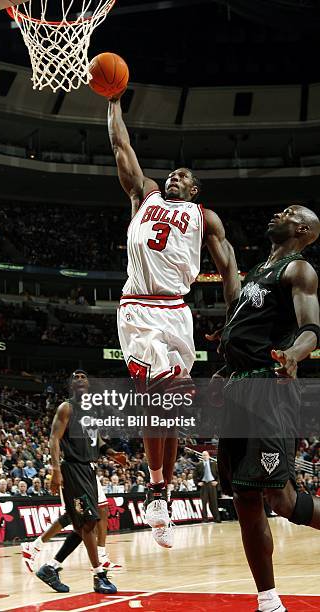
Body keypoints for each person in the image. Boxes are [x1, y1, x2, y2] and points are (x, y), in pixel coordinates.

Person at [107, 96, 240, 548]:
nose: (173, 177)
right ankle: (154, 488)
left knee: (173, 405)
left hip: (178, 312)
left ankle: (159, 491)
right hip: (140, 307)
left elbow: (228, 268)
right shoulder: (143, 197)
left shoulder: (205, 217)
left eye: (183, 176)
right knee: (155, 390)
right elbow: (122, 149)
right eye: (172, 174)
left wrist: (233, 315)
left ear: (194, 190)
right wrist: (113, 104)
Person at [216, 205, 320, 612]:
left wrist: (294, 354)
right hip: (238, 387)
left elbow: (312, 330)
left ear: (302, 228)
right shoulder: (261, 269)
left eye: (288, 212)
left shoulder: (299, 270)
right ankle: (269, 601)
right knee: (244, 498)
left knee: (282, 500)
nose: (278, 213)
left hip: (268, 386)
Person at [39, 370, 117, 594]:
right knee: (87, 524)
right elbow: (54, 438)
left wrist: (112, 453)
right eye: (76, 377)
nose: (81, 379)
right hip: (73, 469)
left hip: (90, 471)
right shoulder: (67, 408)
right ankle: (99, 576)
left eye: (84, 376)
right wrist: (55, 470)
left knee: (83, 525)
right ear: (71, 385)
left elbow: (97, 439)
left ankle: (50, 568)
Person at [194, 451, 221, 522]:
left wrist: (217, 482)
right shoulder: (199, 465)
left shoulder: (214, 464)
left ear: (209, 456)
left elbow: (219, 475)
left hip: (212, 484)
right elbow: (194, 476)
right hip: (204, 485)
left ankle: (217, 518)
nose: (205, 456)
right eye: (203, 455)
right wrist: (197, 483)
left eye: (206, 455)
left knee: (214, 503)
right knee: (204, 503)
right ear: (202, 457)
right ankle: (205, 519)